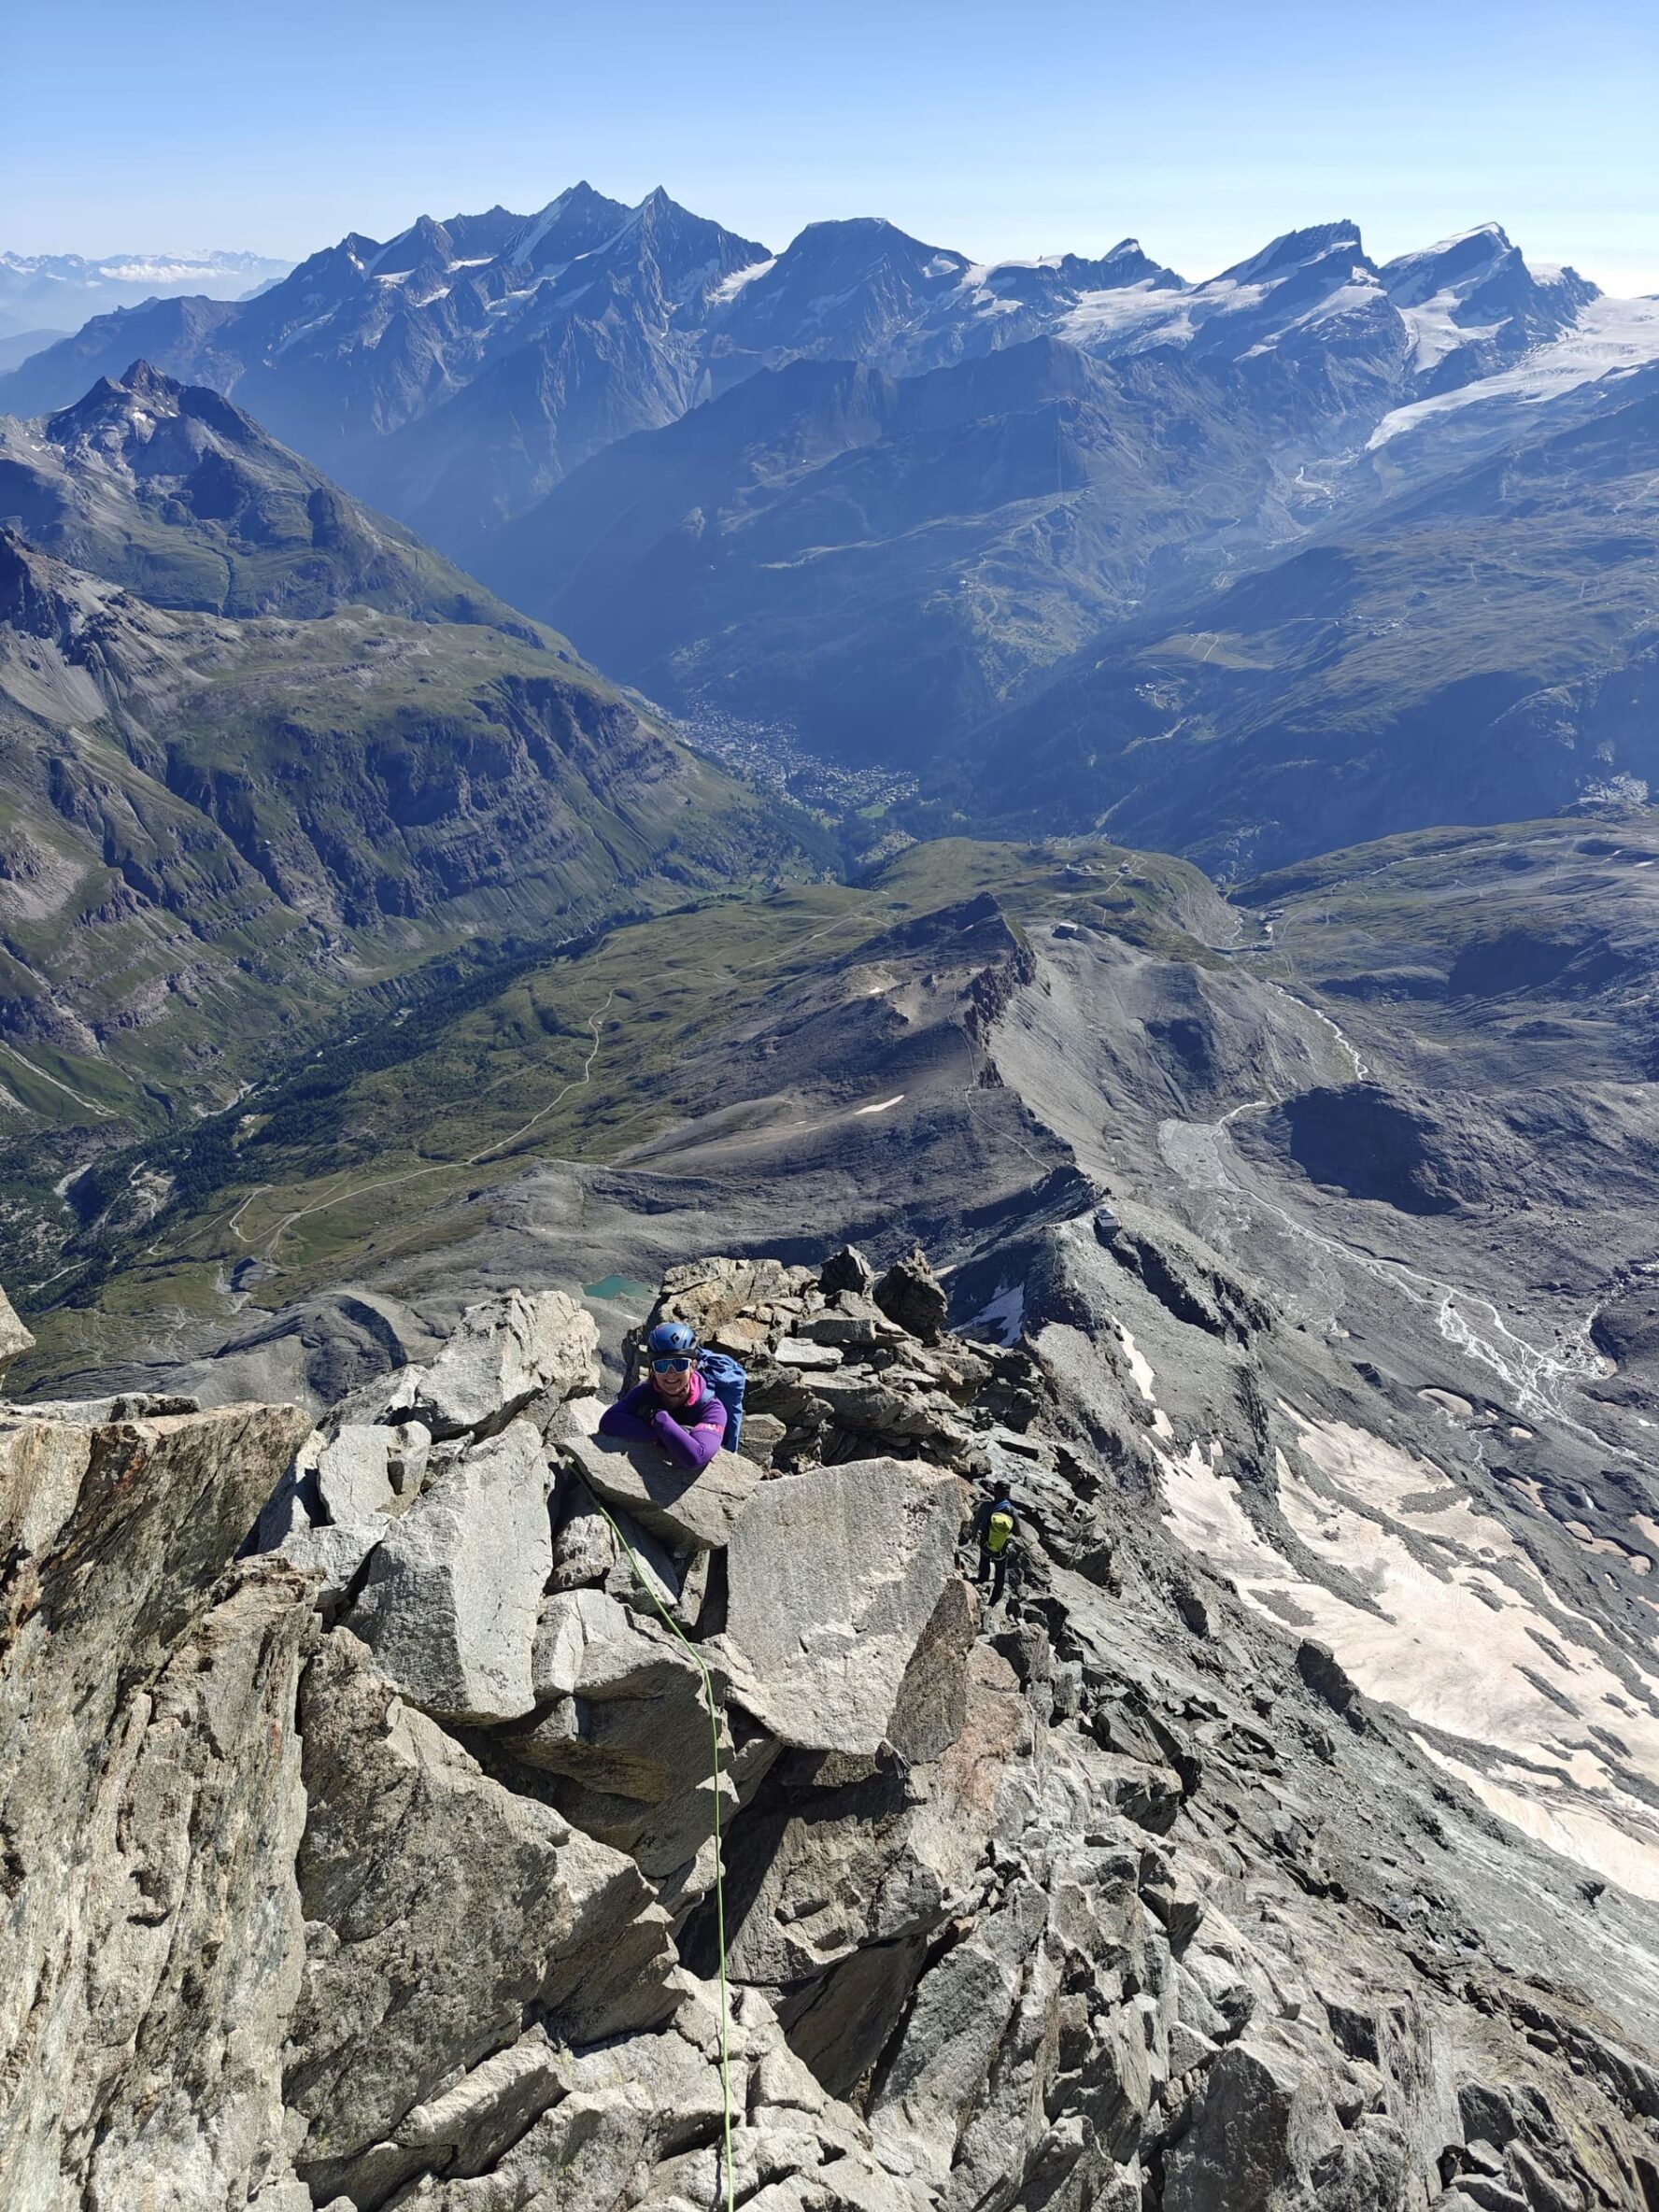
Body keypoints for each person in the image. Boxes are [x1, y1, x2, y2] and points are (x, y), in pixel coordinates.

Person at [598, 1321, 727, 1471]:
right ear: (653, 1370)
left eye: (679, 1364)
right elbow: (608, 1421)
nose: (670, 1373)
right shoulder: (646, 1391)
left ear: (693, 1366)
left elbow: (696, 1457)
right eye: (662, 1366)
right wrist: (663, 1436)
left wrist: (659, 1420)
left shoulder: (712, 1408)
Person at [975, 1491, 1017, 1607]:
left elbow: (977, 1522)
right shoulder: (1011, 1510)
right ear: (1008, 1494)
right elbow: (1018, 1532)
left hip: (985, 1543)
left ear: (994, 1491)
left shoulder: (985, 1506)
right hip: (1001, 1548)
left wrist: (974, 1535)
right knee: (1000, 1571)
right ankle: (995, 1598)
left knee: (984, 1561)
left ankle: (980, 1584)